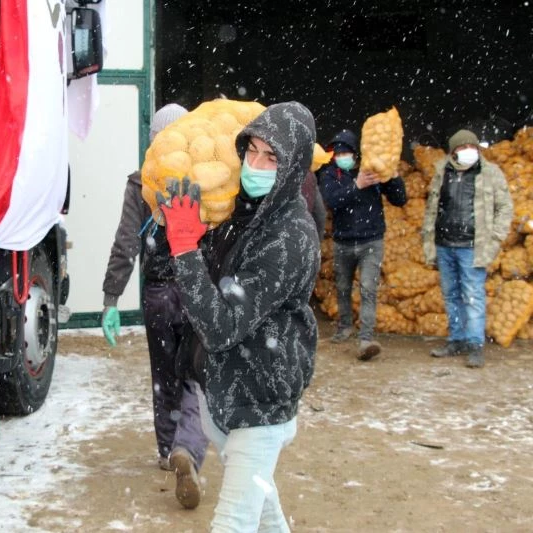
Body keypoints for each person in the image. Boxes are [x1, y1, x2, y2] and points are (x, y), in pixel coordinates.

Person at [157, 101, 320, 532]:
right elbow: (206, 295)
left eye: (272, 157)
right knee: (264, 512)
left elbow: (221, 325)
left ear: (293, 166)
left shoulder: (289, 236)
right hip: (228, 394)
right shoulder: (241, 217)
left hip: (261, 401)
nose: (257, 164)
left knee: (232, 523)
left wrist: (185, 249)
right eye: (252, 151)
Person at [100, 103, 209, 509]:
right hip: (197, 291)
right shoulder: (205, 180)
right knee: (197, 377)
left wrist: (112, 299)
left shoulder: (140, 183)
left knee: (164, 376)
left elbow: (126, 243)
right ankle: (189, 448)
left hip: (159, 294)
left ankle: (168, 451)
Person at [422, 129, 513, 368]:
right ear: (453, 152)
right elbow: (432, 208)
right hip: (444, 244)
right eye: (461, 148)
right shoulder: (443, 171)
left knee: (473, 296)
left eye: (471, 147)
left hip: (472, 246)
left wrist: (496, 238)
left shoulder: (490, 173)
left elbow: (504, 208)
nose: (467, 152)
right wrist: (428, 241)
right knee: (451, 295)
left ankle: (475, 346)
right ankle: (456, 340)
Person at [317, 129, 407, 361]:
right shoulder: (330, 174)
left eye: (346, 152)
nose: (342, 156)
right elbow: (331, 201)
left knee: (368, 289)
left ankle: (366, 338)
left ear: (356, 154)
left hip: (371, 240)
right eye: (338, 154)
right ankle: (345, 327)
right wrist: (356, 185)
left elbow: (399, 199)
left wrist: (393, 177)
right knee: (343, 287)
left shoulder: (372, 170)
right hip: (343, 241)